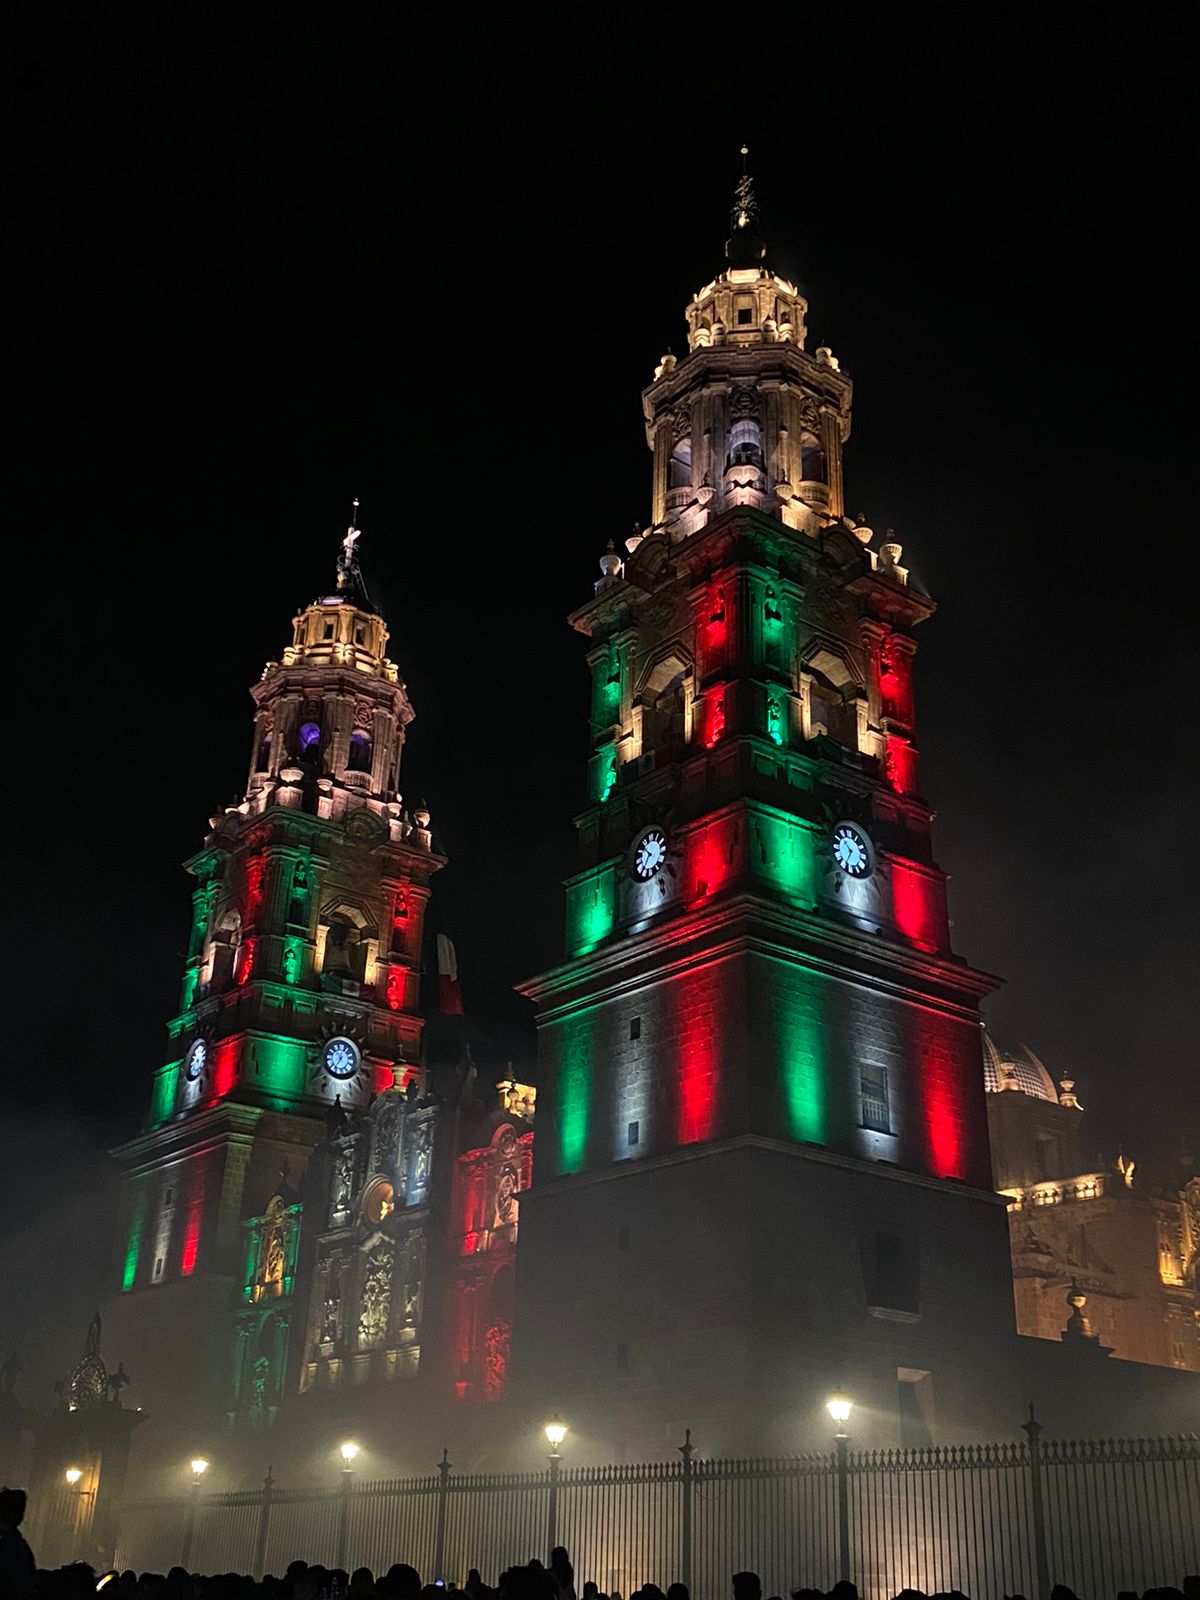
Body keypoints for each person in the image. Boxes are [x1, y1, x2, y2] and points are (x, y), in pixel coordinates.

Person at [0, 1488, 36, 1600]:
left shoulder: (16, 1539)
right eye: (14, 1509)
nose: (19, 1514)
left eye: (21, 1510)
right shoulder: (11, 1539)